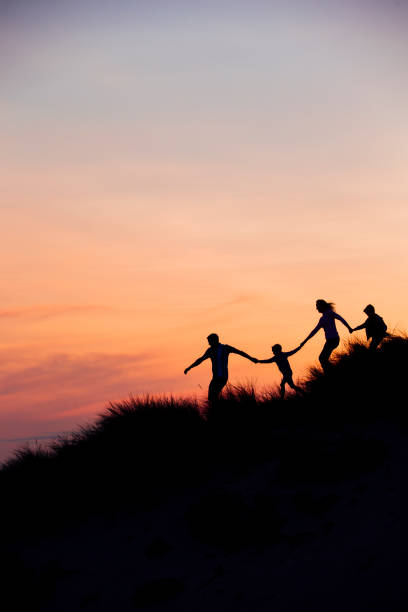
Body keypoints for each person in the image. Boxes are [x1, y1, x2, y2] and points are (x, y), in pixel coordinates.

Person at [184, 333, 257, 404]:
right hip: (215, 377)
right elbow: (200, 360)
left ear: (215, 340)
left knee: (213, 397)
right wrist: (189, 367)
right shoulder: (210, 350)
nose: (209, 344)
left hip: (222, 377)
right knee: (211, 398)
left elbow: (240, 352)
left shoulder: (225, 348)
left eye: (210, 341)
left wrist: (251, 358)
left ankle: (228, 406)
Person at [299, 299, 353, 372]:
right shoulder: (322, 319)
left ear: (322, 306)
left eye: (317, 306)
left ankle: (332, 373)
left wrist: (349, 327)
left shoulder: (330, 313)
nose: (316, 308)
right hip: (330, 340)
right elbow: (314, 331)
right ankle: (330, 372)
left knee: (322, 358)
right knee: (323, 358)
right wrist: (304, 341)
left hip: (333, 340)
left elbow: (341, 318)